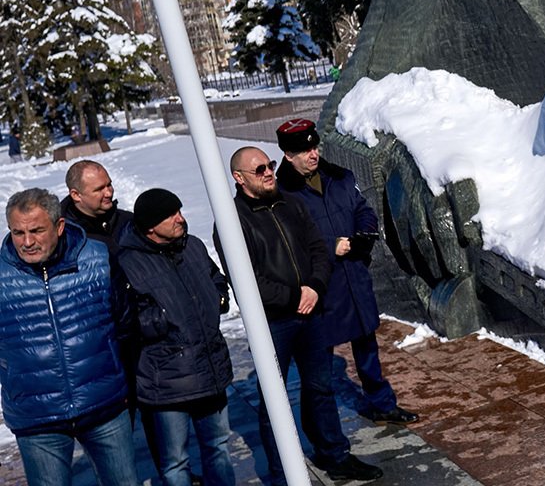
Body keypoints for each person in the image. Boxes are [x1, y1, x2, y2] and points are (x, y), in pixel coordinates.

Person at [217, 146, 382, 485]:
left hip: (312, 313)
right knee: (273, 401)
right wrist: (295, 296)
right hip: (273, 322)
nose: (269, 173)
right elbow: (246, 279)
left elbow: (318, 250)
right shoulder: (233, 221)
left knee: (320, 387)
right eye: (260, 169)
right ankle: (281, 472)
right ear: (239, 178)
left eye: (271, 165)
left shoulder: (291, 204)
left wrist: (315, 287)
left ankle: (334, 454)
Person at [274, 118, 419, 424]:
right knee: (320, 363)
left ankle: (382, 402)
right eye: (304, 150)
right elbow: (287, 242)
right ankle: (324, 430)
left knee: (367, 345)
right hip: (321, 287)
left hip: (353, 274)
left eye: (315, 147)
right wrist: (330, 246)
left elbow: (362, 209)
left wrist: (365, 232)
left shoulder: (338, 177)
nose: (313, 154)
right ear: (288, 155)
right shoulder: (281, 194)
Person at [0, 188, 138, 486]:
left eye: (36, 231)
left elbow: (125, 325)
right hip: (37, 418)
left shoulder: (98, 259)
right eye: (17, 232)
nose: (26, 242)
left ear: (59, 226)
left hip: (104, 406)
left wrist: (119, 379)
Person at [114, 188, 236, 486]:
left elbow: (216, 279)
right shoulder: (127, 262)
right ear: (150, 226)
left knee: (218, 448)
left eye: (179, 210)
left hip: (210, 368)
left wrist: (218, 299)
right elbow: (124, 316)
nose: (180, 219)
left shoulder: (192, 246)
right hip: (166, 380)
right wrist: (158, 321)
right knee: (175, 462)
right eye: (171, 215)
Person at [62, 159, 133, 250]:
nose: (108, 193)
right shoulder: (65, 239)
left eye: (109, 185)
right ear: (76, 195)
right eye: (99, 189)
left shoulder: (128, 221)